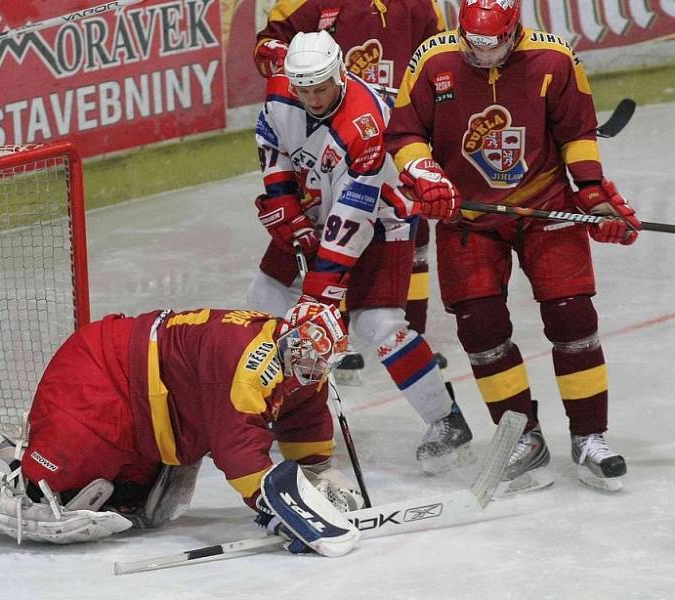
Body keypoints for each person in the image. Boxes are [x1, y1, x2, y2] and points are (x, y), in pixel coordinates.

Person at [384, 0, 639, 493]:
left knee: (573, 317)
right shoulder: (434, 59)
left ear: (514, 30)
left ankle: (589, 437)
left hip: (544, 203)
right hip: (469, 216)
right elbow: (404, 133)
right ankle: (524, 438)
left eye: (492, 45)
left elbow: (578, 135)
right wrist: (425, 172)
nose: (480, 55)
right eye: (471, 44)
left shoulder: (554, 59)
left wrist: (592, 197)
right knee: (480, 326)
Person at [0, 303, 363, 554]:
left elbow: (305, 412)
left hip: (148, 409)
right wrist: (277, 508)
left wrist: (317, 475)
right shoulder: (252, 365)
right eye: (315, 361)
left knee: (134, 507)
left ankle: (6, 451)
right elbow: (236, 448)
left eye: (326, 363)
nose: (319, 371)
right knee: (49, 508)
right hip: (100, 378)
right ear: (294, 346)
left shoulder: (298, 358)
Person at [247, 30, 473, 475]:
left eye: (321, 88)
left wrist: (319, 294)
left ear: (339, 75)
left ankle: (446, 420)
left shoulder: (364, 124)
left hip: (382, 217)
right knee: (265, 300)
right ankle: (284, 416)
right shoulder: (282, 89)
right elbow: (273, 144)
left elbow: (352, 218)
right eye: (304, 89)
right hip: (317, 206)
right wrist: (284, 204)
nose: (312, 98)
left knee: (378, 324)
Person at [253, 0, 447, 383]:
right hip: (330, 140)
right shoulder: (304, 7)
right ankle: (333, 336)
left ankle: (408, 337)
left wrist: (430, 140)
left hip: (388, 137)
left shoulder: (420, 5)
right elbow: (266, 48)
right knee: (313, 248)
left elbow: (439, 64)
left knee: (409, 240)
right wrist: (288, 59)